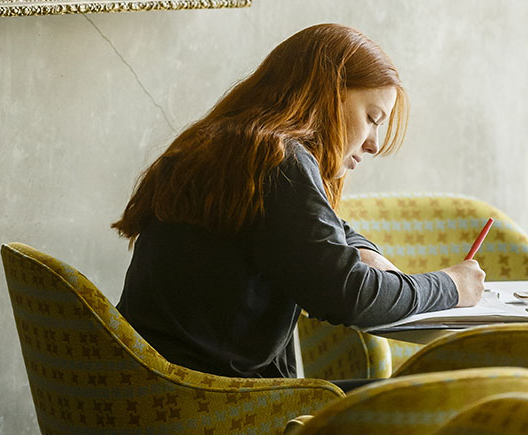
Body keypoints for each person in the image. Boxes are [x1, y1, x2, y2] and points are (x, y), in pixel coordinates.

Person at [113, 23, 485, 383]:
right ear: (329, 93)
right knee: (439, 401)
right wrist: (450, 285)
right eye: (372, 118)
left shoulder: (224, 144)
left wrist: (361, 251)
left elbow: (328, 229)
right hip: (213, 401)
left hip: (153, 387)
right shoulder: (279, 160)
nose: (373, 143)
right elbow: (349, 296)